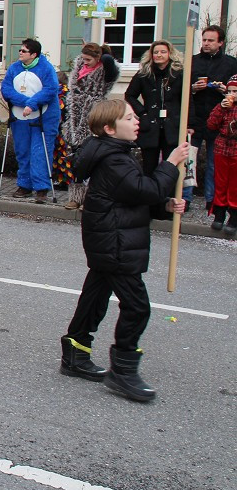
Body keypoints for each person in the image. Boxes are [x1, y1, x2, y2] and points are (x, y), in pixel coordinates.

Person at [60, 98, 188, 402]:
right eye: (129, 118)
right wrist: (170, 164)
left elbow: (133, 194)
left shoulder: (115, 153)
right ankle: (123, 370)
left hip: (109, 238)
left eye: (135, 117)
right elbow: (146, 189)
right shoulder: (114, 159)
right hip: (115, 242)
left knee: (94, 298)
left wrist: (166, 204)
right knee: (137, 306)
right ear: (109, 128)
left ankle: (75, 354)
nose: (136, 121)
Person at [60, 43, 118, 210]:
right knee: (76, 158)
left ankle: (90, 198)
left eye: (89, 60)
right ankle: (75, 197)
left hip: (93, 114)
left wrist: (103, 52)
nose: (85, 62)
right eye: (83, 59)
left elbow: (109, 62)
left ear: (98, 58)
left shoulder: (106, 70)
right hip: (75, 115)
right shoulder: (80, 67)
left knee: (91, 158)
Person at [2, 38, 60, 202]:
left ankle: (41, 187)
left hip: (44, 118)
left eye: (24, 51)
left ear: (34, 54)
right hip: (20, 117)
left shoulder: (46, 68)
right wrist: (24, 102)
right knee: (23, 151)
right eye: (20, 50)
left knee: (40, 152)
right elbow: (6, 88)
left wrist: (33, 104)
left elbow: (50, 89)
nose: (20, 53)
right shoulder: (14, 68)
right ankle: (25, 185)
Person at [189, 25, 237, 214]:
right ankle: (186, 198)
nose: (206, 43)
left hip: (219, 120)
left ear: (220, 43)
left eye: (211, 40)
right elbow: (183, 90)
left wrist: (225, 90)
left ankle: (212, 200)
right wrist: (193, 88)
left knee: (213, 163)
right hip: (194, 118)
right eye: (204, 39)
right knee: (189, 161)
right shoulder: (193, 62)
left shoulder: (231, 63)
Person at [124, 40, 191, 175]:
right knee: (149, 166)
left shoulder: (179, 74)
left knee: (170, 165)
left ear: (170, 54)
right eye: (155, 52)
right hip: (150, 125)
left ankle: (169, 195)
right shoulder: (144, 74)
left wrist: (190, 124)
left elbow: (188, 99)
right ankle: (150, 194)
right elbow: (130, 95)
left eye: (163, 52)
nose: (159, 55)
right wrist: (142, 113)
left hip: (172, 126)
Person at [206, 75, 237, 235]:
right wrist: (221, 108)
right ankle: (219, 213)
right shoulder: (223, 106)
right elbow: (211, 124)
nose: (231, 94)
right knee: (220, 182)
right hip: (221, 147)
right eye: (229, 91)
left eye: (235, 91)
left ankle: (234, 217)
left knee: (234, 184)